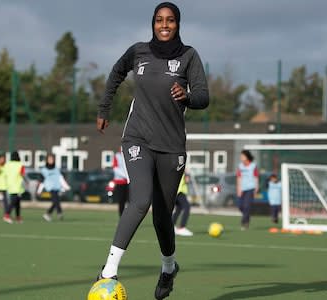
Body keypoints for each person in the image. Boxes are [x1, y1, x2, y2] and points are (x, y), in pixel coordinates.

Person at [96, 2, 209, 299]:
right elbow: (116, 73)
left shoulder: (189, 56)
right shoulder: (138, 51)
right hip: (138, 138)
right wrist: (104, 108)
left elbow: (204, 97)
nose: (164, 25)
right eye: (159, 20)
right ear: (153, 23)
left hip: (171, 147)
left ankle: (168, 268)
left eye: (170, 20)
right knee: (140, 200)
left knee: (162, 216)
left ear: (178, 24)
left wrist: (186, 96)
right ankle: (108, 270)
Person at [42, 153, 70, 222]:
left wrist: (64, 186)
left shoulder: (56, 169)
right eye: (49, 159)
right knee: (56, 201)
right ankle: (59, 213)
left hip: (57, 187)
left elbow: (60, 178)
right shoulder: (44, 169)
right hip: (50, 187)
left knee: (56, 201)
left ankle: (48, 214)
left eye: (52, 159)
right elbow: (45, 179)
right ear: (47, 160)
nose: (51, 160)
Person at [236, 150, 259, 230]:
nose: (241, 157)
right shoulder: (240, 166)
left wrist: (256, 187)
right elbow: (239, 177)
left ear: (247, 156)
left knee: (247, 206)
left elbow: (256, 177)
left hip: (250, 188)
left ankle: (244, 222)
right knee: (240, 206)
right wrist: (239, 189)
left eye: (242, 156)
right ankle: (247, 216)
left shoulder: (253, 166)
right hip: (242, 188)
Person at [3, 151, 26, 224]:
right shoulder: (20, 164)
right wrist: (27, 182)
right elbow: (22, 174)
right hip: (17, 186)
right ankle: (7, 215)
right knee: (13, 201)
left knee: (17, 202)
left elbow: (5, 174)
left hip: (9, 185)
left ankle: (18, 217)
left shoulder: (7, 164)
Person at [113, 148, 129, 216]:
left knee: (130, 201)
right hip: (120, 182)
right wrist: (126, 176)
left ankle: (129, 216)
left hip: (128, 182)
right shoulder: (117, 156)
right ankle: (121, 216)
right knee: (121, 201)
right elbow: (115, 168)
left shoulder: (128, 156)